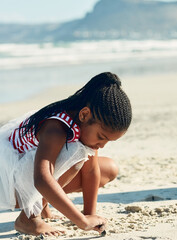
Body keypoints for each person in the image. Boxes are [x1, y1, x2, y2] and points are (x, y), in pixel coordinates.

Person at [0, 72, 132, 236]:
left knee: (108, 168)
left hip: (29, 174)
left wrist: (89, 214)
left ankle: (42, 205)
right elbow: (41, 178)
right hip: (7, 181)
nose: (103, 145)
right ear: (84, 114)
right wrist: (81, 222)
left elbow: (91, 171)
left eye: (108, 141)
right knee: (75, 159)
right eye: (101, 137)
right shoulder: (55, 128)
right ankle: (28, 219)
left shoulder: (84, 125)